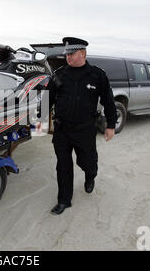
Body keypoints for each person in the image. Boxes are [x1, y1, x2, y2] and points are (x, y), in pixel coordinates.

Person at [47, 37, 117, 215]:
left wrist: (111, 125)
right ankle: (64, 200)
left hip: (85, 130)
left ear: (83, 53)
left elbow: (108, 101)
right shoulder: (59, 74)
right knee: (63, 165)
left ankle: (90, 175)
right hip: (62, 130)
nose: (68, 57)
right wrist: (38, 124)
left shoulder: (97, 75)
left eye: (72, 53)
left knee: (88, 162)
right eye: (67, 54)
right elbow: (46, 100)